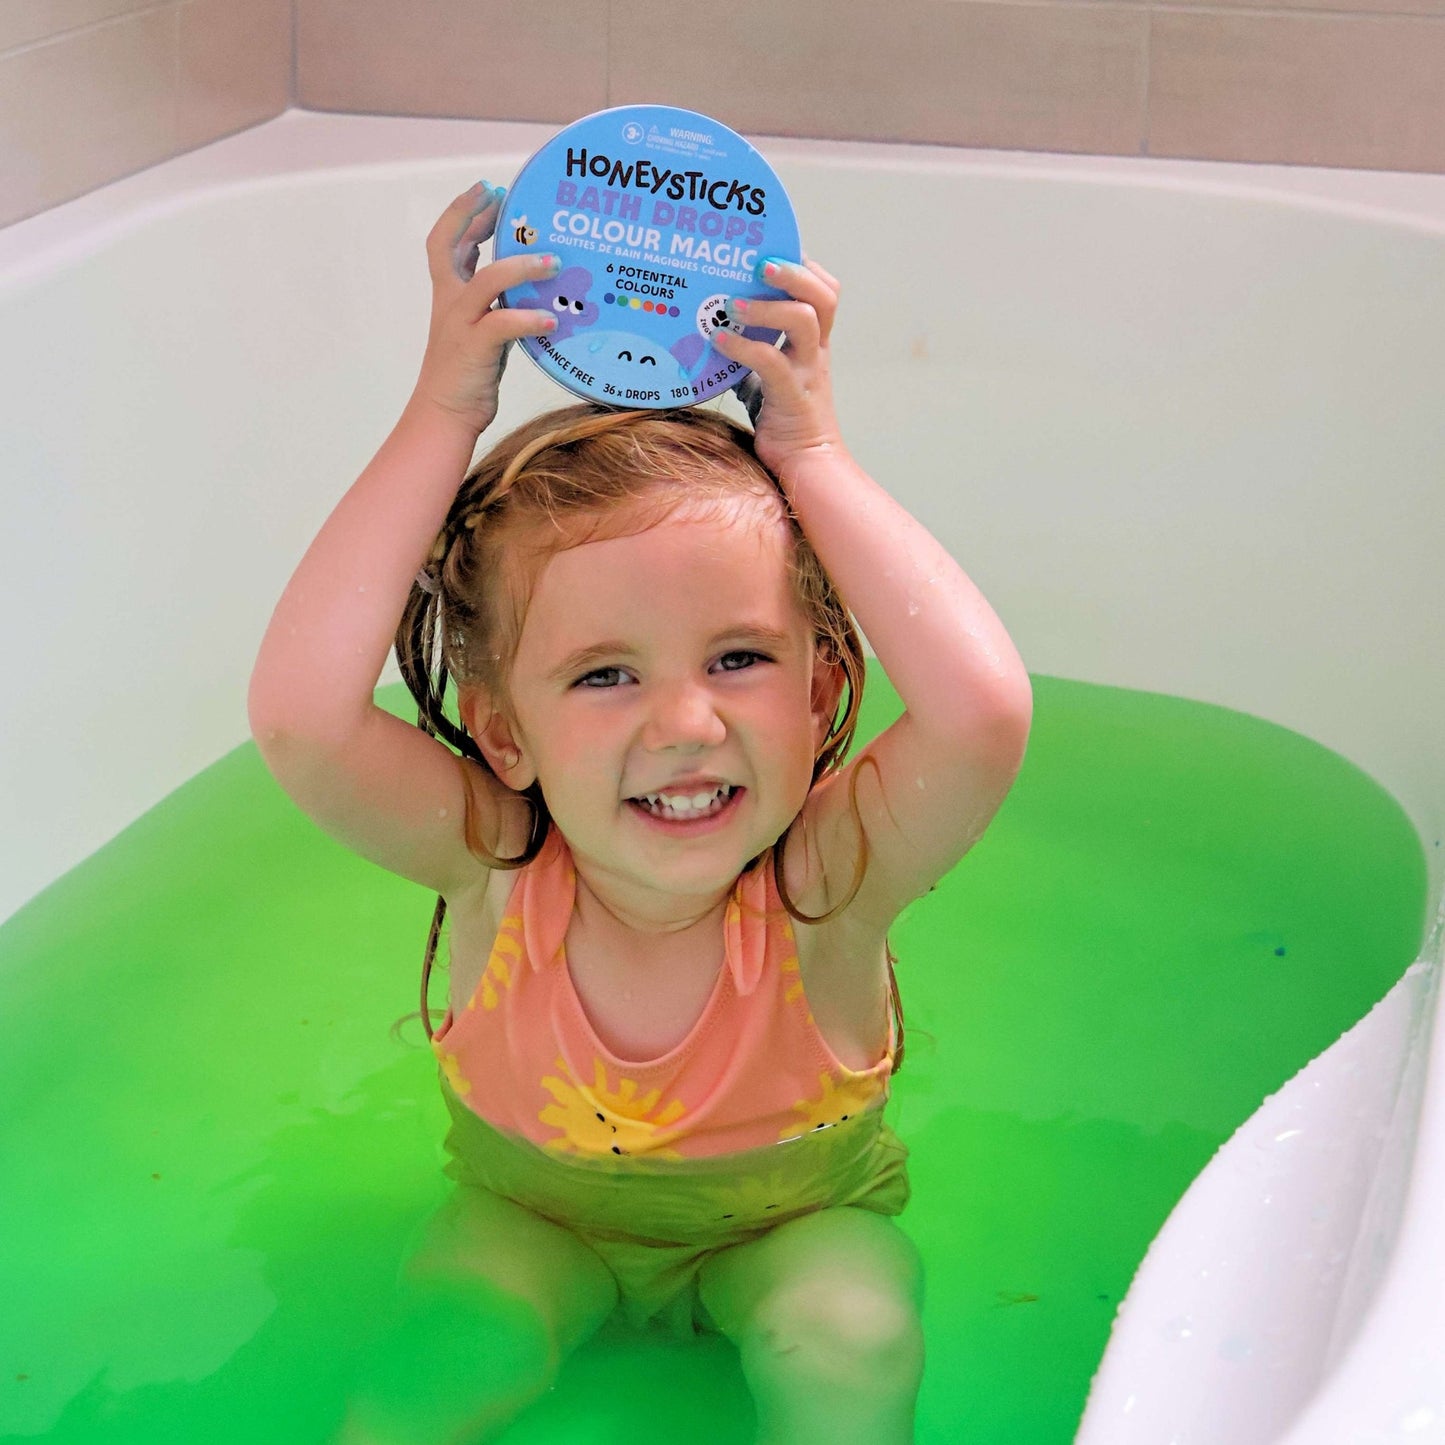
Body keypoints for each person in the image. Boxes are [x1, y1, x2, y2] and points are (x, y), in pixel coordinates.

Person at [249, 179, 1032, 1445]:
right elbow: (300, 716)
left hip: (791, 1225)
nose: (684, 722)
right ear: (506, 731)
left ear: (820, 688)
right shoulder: (494, 864)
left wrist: (814, 458)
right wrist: (446, 408)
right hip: (533, 1222)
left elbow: (982, 713)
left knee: (850, 1327)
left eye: (739, 657)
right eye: (604, 675)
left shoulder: (826, 884)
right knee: (450, 1347)